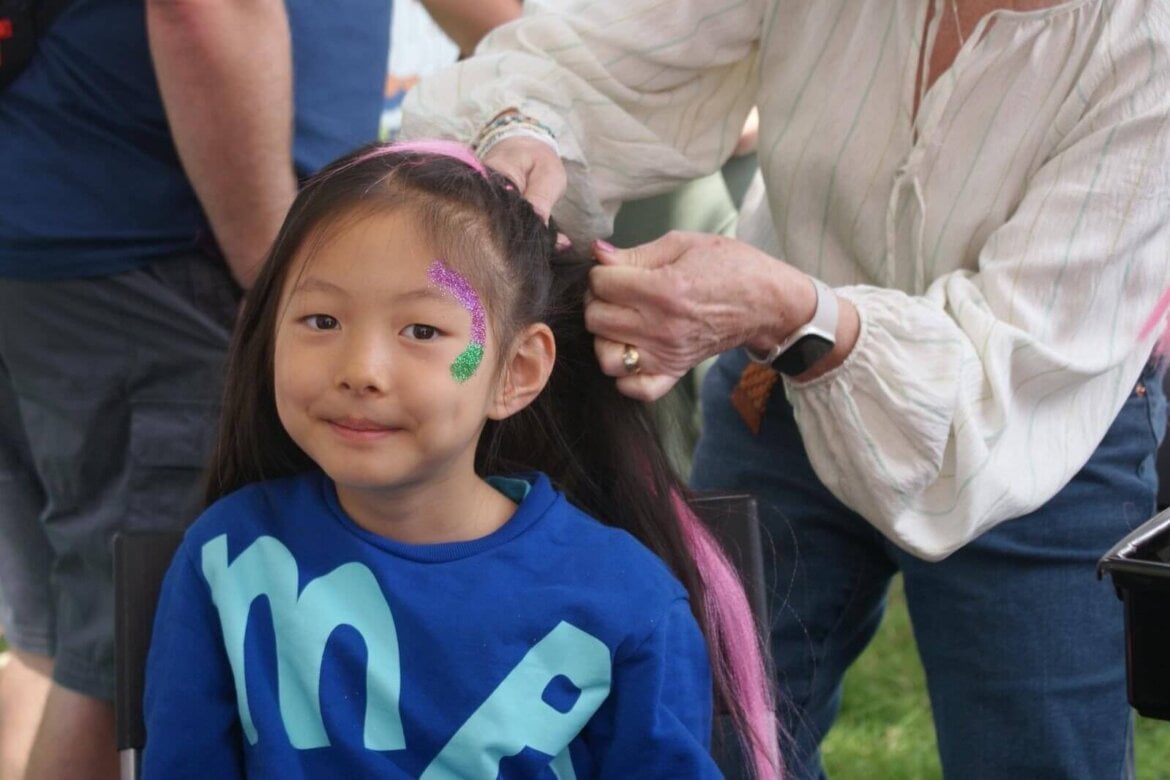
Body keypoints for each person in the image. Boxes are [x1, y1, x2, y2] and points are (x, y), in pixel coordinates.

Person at [401, 1, 1170, 777]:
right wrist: (518, 134)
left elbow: (1011, 354)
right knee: (711, 726)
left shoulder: (1150, 45)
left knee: (1035, 758)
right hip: (778, 386)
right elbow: (575, 58)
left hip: (1033, 416)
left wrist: (786, 309)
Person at [140, 140, 778, 778]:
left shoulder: (627, 602)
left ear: (515, 372)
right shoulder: (228, 559)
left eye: (421, 331)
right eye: (321, 320)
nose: (361, 370)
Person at [0, 0, 390, 776]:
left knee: (63, 644)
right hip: (167, 257)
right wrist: (281, 278)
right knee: (129, 670)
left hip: (70, 241)